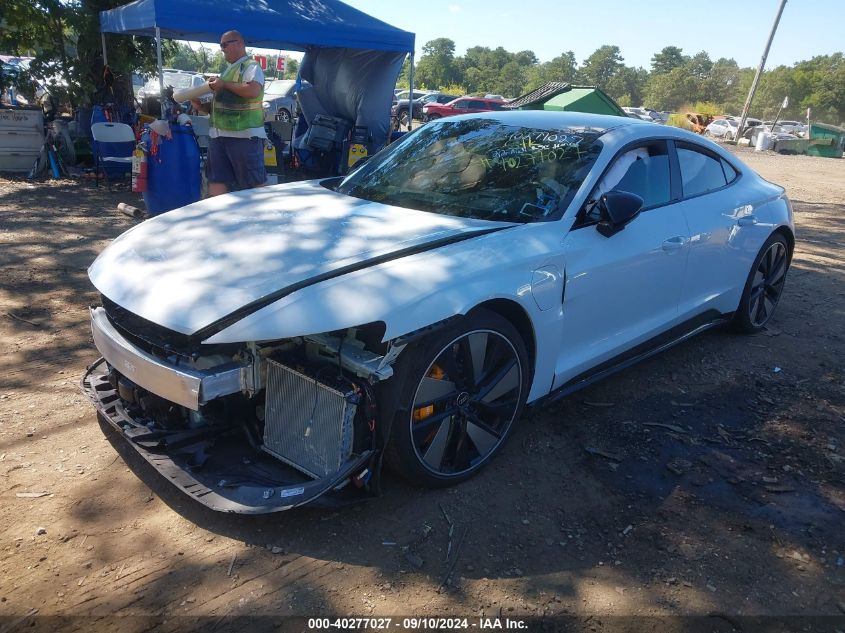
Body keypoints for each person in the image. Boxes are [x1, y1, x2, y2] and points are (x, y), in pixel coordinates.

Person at [192, 30, 266, 196]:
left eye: (225, 44)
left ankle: (263, 219)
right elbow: (221, 107)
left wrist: (224, 84)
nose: (222, 49)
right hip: (219, 136)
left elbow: (253, 90)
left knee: (255, 184)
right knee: (216, 179)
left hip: (245, 136)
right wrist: (200, 106)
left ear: (239, 43)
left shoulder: (251, 66)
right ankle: (219, 218)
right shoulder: (227, 72)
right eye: (221, 45)